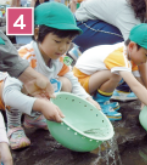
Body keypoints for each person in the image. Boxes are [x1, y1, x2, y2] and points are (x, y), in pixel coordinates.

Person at [2, 2, 100, 150]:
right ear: (36, 33)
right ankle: (14, 126)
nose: (63, 47)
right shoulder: (25, 56)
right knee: (21, 85)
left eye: (68, 42)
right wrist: (41, 104)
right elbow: (8, 94)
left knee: (66, 83)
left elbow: (72, 80)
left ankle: (33, 118)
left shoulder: (60, 58)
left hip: (33, 96)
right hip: (6, 97)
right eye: (57, 41)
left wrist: (88, 99)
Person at [73, 0, 147, 102]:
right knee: (127, 45)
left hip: (102, 24)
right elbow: (140, 47)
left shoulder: (145, 9)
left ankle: (84, 52)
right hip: (83, 25)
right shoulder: (127, 9)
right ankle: (122, 88)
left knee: (131, 45)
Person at [73, 23, 147, 125]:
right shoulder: (119, 56)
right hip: (80, 85)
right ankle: (100, 103)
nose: (146, 60)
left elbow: (140, 84)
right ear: (132, 46)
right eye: (146, 55)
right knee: (116, 75)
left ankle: (101, 100)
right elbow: (135, 86)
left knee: (120, 75)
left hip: (89, 81)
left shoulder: (129, 54)